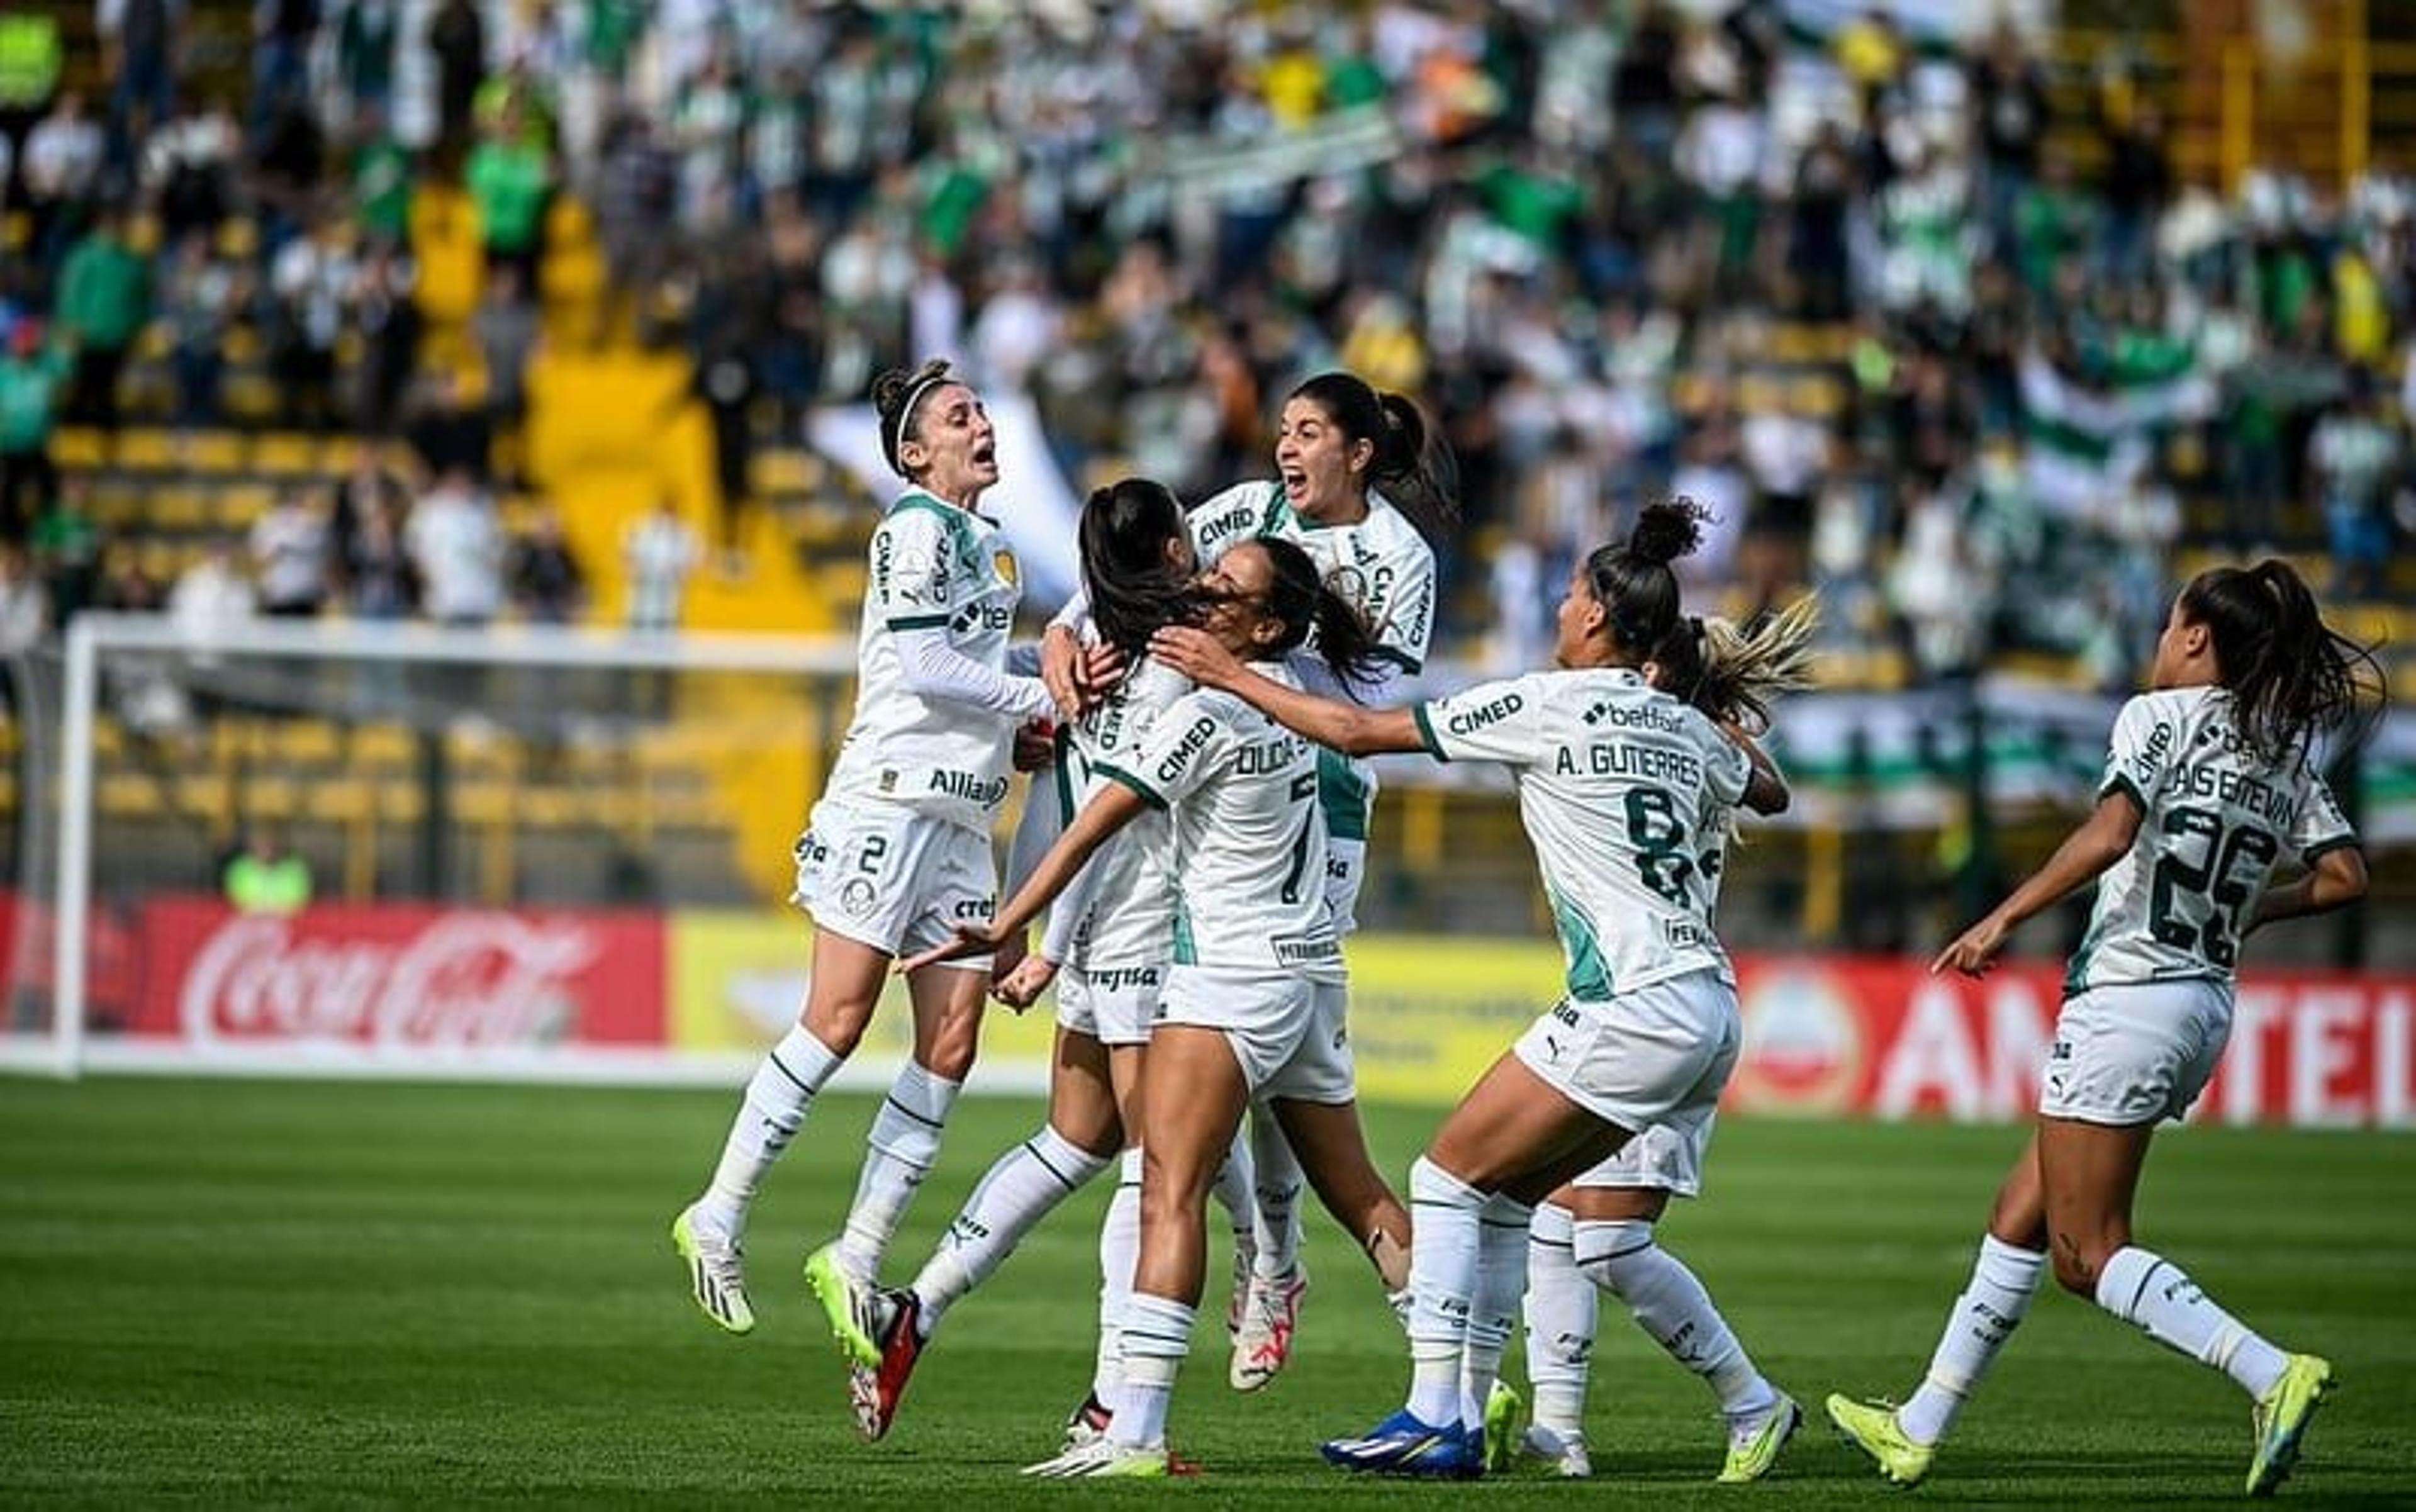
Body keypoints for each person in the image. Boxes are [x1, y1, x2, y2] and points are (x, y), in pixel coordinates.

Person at [1151, 500, 1789, 1479]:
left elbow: (1358, 734)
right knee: (1503, 1198)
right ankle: (1462, 1416)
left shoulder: (1546, 700)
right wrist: (1687, 707)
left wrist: (1231, 676)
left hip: (1632, 1000)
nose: (1562, 606)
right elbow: (1772, 790)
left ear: (1596, 622)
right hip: (1710, 1008)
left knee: (1444, 1176)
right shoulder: (1689, 729)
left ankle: (1434, 1410)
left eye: (1574, 594)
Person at [851, 495, 1413, 1450]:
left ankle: (923, 1307)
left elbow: (1071, 794)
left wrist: (1059, 650)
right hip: (1152, 929)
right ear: (1169, 552)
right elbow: (1097, 823)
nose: (1202, 572)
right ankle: (1137, 1387)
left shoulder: (1130, 642)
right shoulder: (1172, 674)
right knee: (1160, 1171)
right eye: (1195, 554)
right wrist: (1042, 941)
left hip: (1121, 928)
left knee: (1082, 1142)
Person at [1826, 560, 2376, 1498]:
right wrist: (2246, 912)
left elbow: (2113, 834)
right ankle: (1917, 1426)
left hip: (2129, 997)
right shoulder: (2281, 750)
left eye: (2170, 626)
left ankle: (2268, 1370)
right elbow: (2343, 879)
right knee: (2019, 1214)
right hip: (2203, 1002)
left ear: (2197, 635)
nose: (2161, 642)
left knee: (2087, 1255)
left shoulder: (2155, 718)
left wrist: (1999, 918)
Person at [1041, 369, 1456, 1392]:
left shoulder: (1399, 559)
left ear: (1360, 452)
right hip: (1208, 798)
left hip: (1313, 810)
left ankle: (1263, 1273)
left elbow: (1379, 701)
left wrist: (1251, 673)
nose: (1285, 445)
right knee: (1284, 1076)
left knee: (1244, 1072)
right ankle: (1339, 1297)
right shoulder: (1243, 511)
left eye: (1308, 430)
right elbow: (1124, 584)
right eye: (1283, 427)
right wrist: (1059, 637)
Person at [670, 359, 1057, 1343]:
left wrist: (1035, 682)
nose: (984, 425)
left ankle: (856, 1254)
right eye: (962, 416)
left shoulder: (988, 541)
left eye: (982, 411)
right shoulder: (915, 528)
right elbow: (927, 669)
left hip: (966, 820)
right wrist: (1037, 694)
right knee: (838, 1020)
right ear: (915, 451)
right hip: (890, 805)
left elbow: (968, 663)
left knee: (953, 1045)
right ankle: (717, 1214)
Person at [1494, 600, 1820, 1484]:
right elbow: (1774, 791)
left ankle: (1754, 1403)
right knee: (1555, 1220)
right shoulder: (1692, 747)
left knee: (1605, 1243)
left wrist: (1693, 702)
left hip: (1664, 1004)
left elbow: (1774, 792)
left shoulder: (1680, 737)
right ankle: (1558, 1431)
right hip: (1637, 999)